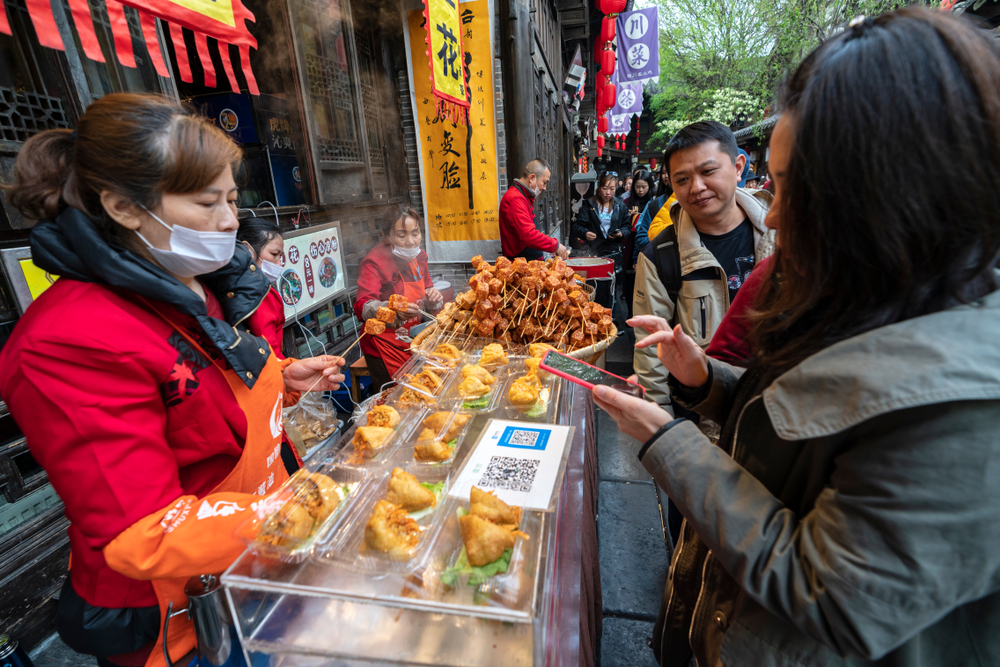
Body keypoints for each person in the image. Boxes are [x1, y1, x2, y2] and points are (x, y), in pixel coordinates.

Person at [597, 9, 1000, 666]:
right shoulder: (853, 287)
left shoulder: (971, 403)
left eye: (793, 191)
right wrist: (704, 380)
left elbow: (831, 593)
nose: (774, 215)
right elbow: (798, 429)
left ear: (895, 195)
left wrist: (670, 444)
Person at [0, 93, 345, 667]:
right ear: (124, 207)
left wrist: (282, 378)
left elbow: (200, 396)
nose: (231, 221)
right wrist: (302, 513)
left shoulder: (189, 282)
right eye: (208, 202)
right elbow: (142, 529)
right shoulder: (65, 341)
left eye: (233, 199)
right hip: (185, 613)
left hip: (256, 559)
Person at [632, 121, 775, 409]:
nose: (696, 187)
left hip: (781, 409)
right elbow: (652, 359)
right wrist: (662, 432)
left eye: (708, 171)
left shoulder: (783, 234)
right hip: (701, 413)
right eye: (682, 179)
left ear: (738, 167)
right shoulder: (660, 256)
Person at [354, 206, 443, 390]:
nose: (411, 241)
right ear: (386, 236)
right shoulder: (374, 262)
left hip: (414, 340)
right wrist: (392, 311)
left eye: (415, 233)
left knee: (422, 388)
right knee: (395, 397)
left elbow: (427, 289)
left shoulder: (420, 257)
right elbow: (362, 305)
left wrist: (432, 298)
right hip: (384, 345)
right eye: (402, 236)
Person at [570, 172, 631, 324]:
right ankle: (593, 318)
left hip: (613, 252)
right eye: (605, 188)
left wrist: (620, 233)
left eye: (612, 188)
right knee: (594, 285)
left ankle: (611, 320)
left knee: (612, 287)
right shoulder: (589, 205)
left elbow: (627, 227)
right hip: (594, 252)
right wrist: (586, 233)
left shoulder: (620, 206)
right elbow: (577, 226)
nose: (608, 192)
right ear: (599, 188)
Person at [498, 158, 568, 261]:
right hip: (523, 267)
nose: (544, 188)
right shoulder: (515, 199)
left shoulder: (524, 197)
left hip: (530, 263)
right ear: (532, 178)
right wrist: (555, 245)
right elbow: (529, 235)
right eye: (544, 182)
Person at [238, 217, 286, 358]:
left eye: (280, 257)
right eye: (274, 255)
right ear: (248, 250)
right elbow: (270, 351)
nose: (279, 264)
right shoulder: (258, 293)